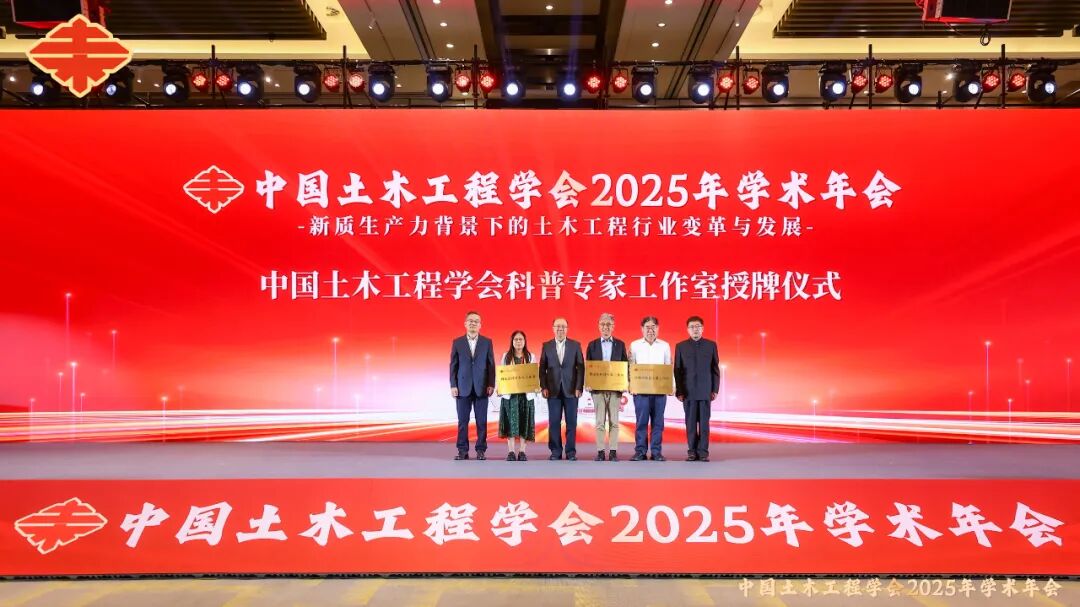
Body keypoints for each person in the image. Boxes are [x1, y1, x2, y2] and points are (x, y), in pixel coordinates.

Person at [449, 311, 495, 460]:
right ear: (465, 324)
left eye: (476, 321)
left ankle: (481, 450)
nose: (473, 323)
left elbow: (491, 365)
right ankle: (462, 450)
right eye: (470, 321)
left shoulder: (487, 342)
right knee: (463, 421)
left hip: (482, 387)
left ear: (480, 325)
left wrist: (491, 384)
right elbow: (453, 365)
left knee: (481, 421)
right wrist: (453, 385)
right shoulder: (457, 342)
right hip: (462, 387)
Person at [674, 316, 720, 462]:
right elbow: (677, 370)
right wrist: (679, 391)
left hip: (705, 391)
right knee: (691, 424)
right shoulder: (681, 346)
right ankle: (692, 452)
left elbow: (715, 369)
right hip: (688, 392)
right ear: (687, 329)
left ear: (702, 328)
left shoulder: (711, 345)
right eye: (692, 327)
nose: (695, 329)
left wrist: (715, 389)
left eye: (698, 326)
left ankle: (703, 452)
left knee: (704, 424)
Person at [539, 317, 584, 461]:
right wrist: (543, 386)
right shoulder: (546, 346)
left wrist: (579, 387)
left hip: (571, 390)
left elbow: (580, 368)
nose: (560, 329)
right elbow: (542, 369)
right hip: (552, 390)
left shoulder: (575, 345)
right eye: (557, 326)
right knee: (554, 422)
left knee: (571, 423)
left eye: (563, 326)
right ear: (553, 328)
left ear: (567, 329)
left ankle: (571, 452)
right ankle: (555, 451)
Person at [585, 312, 628, 462]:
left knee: (614, 422)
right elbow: (588, 366)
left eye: (608, 324)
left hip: (615, 390)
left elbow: (625, 366)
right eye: (603, 324)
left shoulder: (620, 345)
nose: (605, 327)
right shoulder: (592, 345)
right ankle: (601, 451)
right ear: (599, 326)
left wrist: (624, 383)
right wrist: (588, 383)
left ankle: (613, 451)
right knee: (599, 422)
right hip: (598, 390)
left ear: (613, 326)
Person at [628, 316, 672, 461]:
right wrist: (631, 385)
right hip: (640, 391)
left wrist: (671, 386)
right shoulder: (634, 345)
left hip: (659, 391)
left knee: (658, 422)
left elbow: (668, 367)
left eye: (653, 327)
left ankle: (656, 451)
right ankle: (640, 451)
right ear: (642, 329)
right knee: (641, 422)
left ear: (658, 329)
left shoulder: (664, 346)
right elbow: (630, 367)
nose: (650, 330)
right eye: (647, 327)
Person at [498, 330, 536, 461]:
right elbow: (501, 375)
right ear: (512, 342)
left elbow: (534, 375)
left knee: (525, 422)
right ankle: (511, 452)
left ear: (525, 342)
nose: (518, 342)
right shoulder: (506, 356)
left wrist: (536, 386)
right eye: (516, 339)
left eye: (521, 339)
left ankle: (522, 451)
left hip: (526, 396)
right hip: (511, 396)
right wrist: (500, 387)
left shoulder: (530, 356)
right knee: (511, 423)